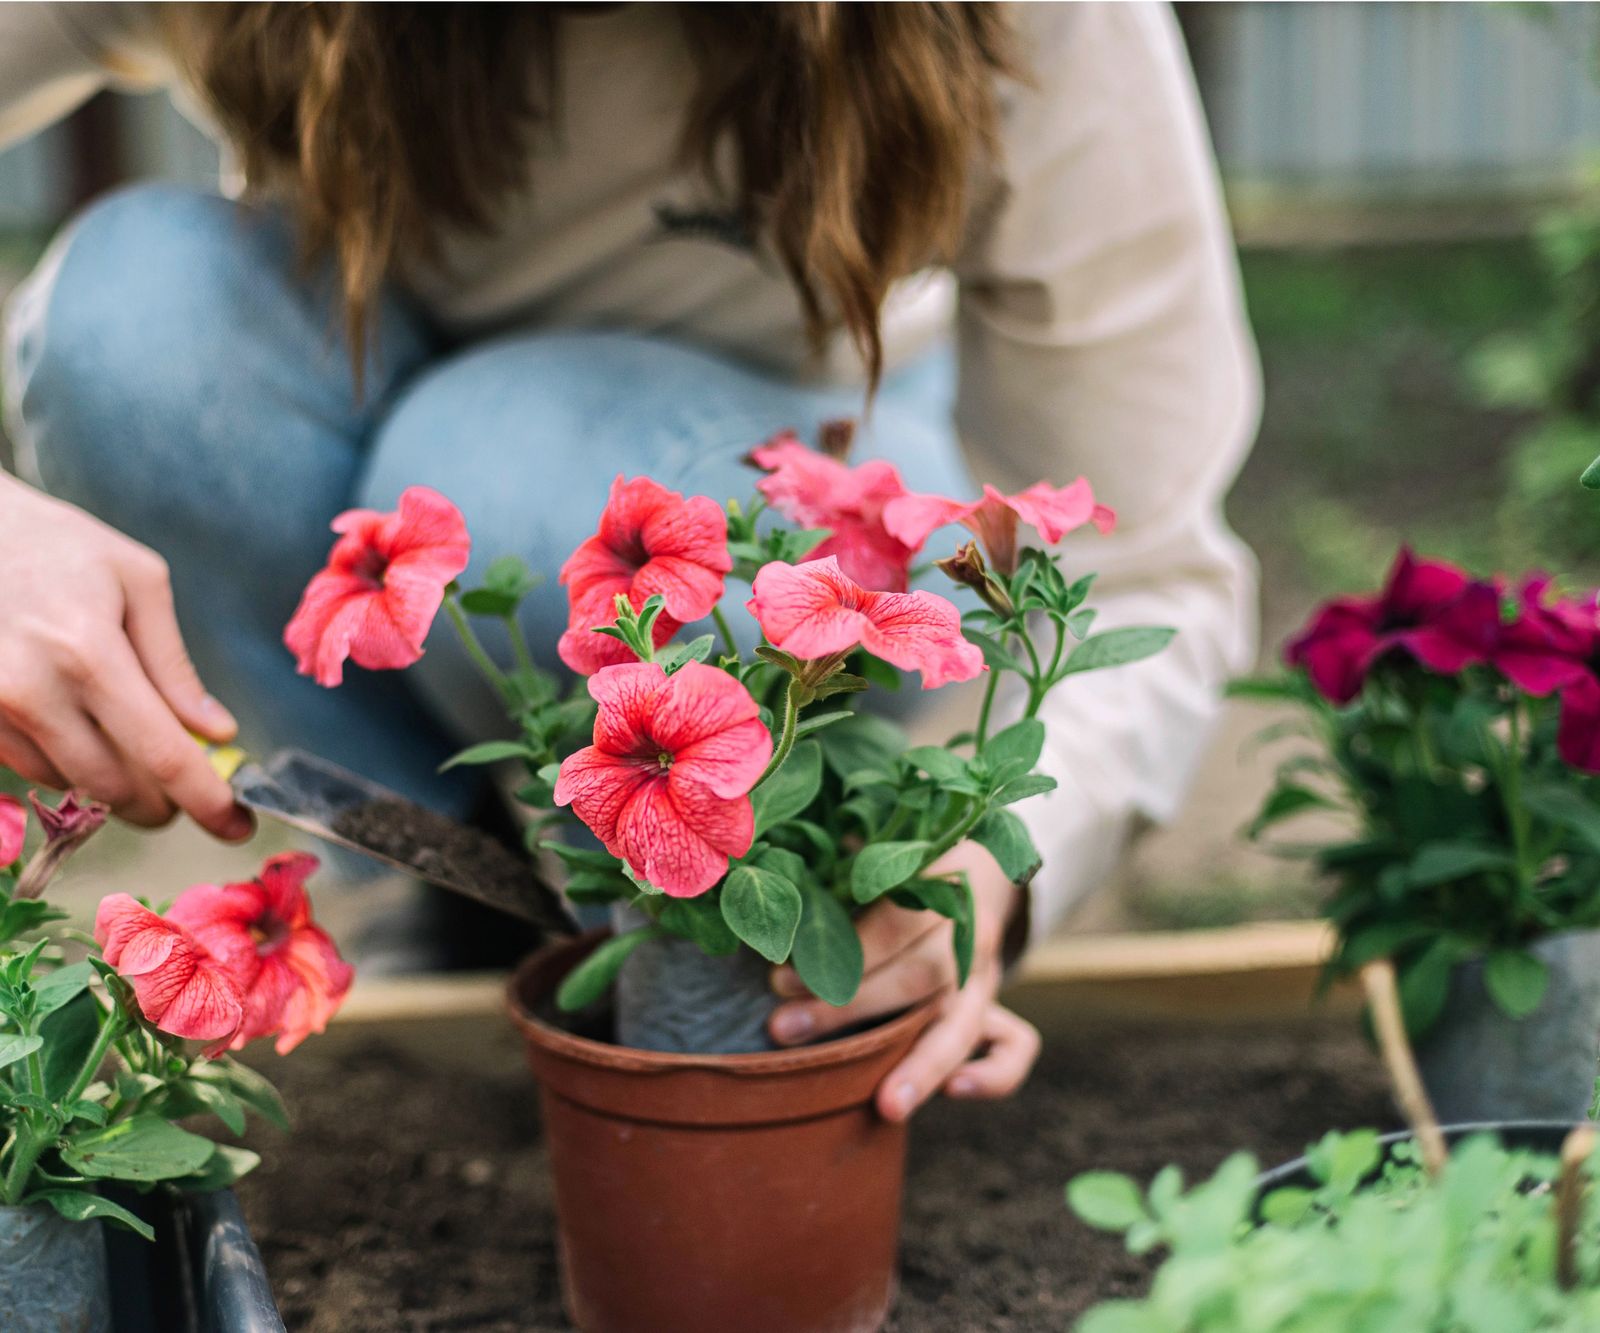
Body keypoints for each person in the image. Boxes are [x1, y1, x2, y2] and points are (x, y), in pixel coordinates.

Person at [0, 3, 1259, 1122]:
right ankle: (426, 897)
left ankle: (699, 1000)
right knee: (127, 325)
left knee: (512, 467)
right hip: (415, 449)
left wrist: (981, 870)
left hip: (798, 486)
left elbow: (1145, 572)